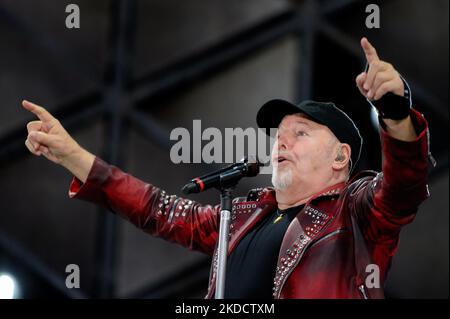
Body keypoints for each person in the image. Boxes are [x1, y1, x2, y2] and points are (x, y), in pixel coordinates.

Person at [22, 38, 432, 298]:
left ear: (341, 157)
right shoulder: (240, 216)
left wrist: (395, 111)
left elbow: (403, 186)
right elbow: (157, 210)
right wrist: (72, 154)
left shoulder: (356, 211)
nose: (282, 141)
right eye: (279, 135)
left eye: (301, 133)